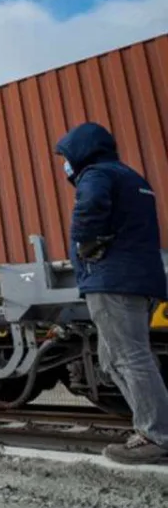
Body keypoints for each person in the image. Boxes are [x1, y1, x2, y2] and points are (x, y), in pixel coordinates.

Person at [56, 121, 168, 464]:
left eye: (66, 157)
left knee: (129, 356)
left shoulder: (96, 174)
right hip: (139, 280)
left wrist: (84, 241)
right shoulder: (132, 178)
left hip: (113, 280)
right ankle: (149, 427)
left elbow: (89, 207)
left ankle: (156, 435)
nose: (65, 165)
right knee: (112, 359)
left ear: (81, 152)